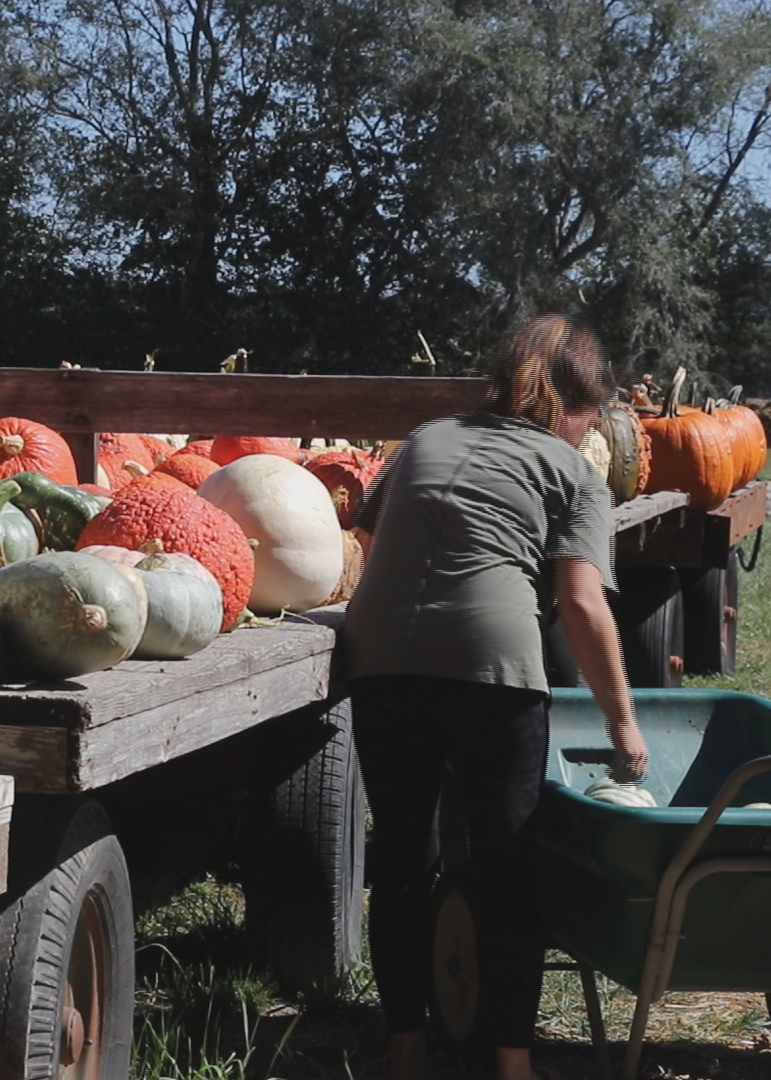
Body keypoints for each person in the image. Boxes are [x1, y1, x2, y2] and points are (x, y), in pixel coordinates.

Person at [343, 314, 651, 1080]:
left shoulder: (427, 438)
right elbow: (580, 602)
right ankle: (512, 1067)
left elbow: (370, 541)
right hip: (490, 663)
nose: (589, 434)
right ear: (573, 409)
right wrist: (624, 722)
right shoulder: (574, 473)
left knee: (403, 861)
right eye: (591, 419)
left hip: (377, 656)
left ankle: (406, 1056)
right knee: (506, 869)